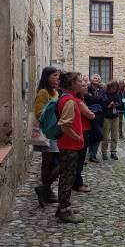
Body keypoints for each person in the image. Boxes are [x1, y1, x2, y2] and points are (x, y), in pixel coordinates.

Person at [55, 72, 84, 223]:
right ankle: (64, 210)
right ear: (72, 84)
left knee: (65, 176)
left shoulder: (66, 98)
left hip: (67, 145)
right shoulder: (69, 101)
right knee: (67, 178)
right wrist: (78, 137)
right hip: (69, 145)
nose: (81, 83)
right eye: (79, 81)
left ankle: (62, 207)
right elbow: (64, 125)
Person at [34, 66, 60, 207]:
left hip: (53, 131)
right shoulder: (44, 92)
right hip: (46, 132)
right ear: (47, 77)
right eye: (55, 75)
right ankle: (46, 190)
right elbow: (38, 113)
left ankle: (45, 189)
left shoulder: (55, 92)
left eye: (58, 75)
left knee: (51, 163)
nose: (57, 78)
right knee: (48, 162)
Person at [73, 78, 95, 192]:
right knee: (79, 160)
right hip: (82, 131)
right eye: (82, 85)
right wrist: (92, 113)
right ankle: (77, 183)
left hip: (83, 130)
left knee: (79, 160)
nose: (86, 86)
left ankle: (76, 182)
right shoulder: (78, 101)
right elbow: (90, 115)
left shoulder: (81, 99)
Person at [84, 74, 105, 163]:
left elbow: (103, 99)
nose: (97, 79)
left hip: (99, 115)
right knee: (90, 134)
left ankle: (93, 154)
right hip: (89, 114)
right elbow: (88, 98)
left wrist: (93, 98)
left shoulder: (102, 89)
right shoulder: (87, 88)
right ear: (91, 80)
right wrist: (96, 99)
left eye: (98, 78)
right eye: (95, 78)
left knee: (98, 134)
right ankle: (89, 153)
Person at [101, 81, 122, 160]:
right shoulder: (105, 94)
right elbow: (102, 106)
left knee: (114, 136)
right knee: (105, 136)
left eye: (116, 88)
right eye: (113, 88)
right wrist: (109, 105)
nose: (114, 89)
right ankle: (104, 152)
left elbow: (120, 104)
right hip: (107, 117)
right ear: (109, 87)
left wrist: (116, 105)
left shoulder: (117, 94)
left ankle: (113, 152)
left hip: (115, 117)